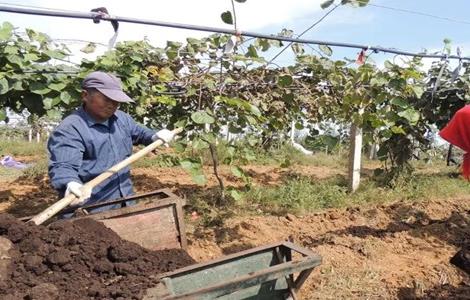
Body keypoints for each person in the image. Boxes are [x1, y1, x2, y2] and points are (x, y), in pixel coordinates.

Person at [48, 71, 175, 212]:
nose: (112, 105)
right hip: (90, 208)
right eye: (106, 99)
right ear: (85, 96)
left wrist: (154, 136)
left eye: (116, 101)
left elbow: (140, 133)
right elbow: (64, 165)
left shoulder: (122, 119)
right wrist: (70, 183)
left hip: (125, 200)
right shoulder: (71, 128)